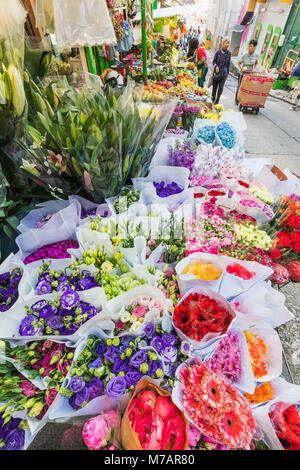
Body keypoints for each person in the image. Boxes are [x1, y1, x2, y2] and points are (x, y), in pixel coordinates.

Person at [236, 39, 259, 105]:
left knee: (247, 89)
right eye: (250, 46)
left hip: (250, 74)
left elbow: (256, 63)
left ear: (255, 47)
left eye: (252, 46)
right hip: (243, 73)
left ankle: (243, 101)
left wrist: (254, 69)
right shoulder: (245, 54)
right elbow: (239, 63)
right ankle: (237, 100)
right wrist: (241, 68)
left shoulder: (256, 55)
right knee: (240, 87)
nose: (251, 48)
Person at [211, 38, 231, 105]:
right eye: (226, 43)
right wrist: (216, 66)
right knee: (214, 88)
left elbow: (228, 64)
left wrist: (228, 73)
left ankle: (217, 101)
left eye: (228, 43)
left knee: (221, 88)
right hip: (217, 73)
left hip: (223, 74)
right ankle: (212, 99)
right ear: (222, 43)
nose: (227, 44)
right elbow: (214, 61)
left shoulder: (229, 53)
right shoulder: (218, 52)